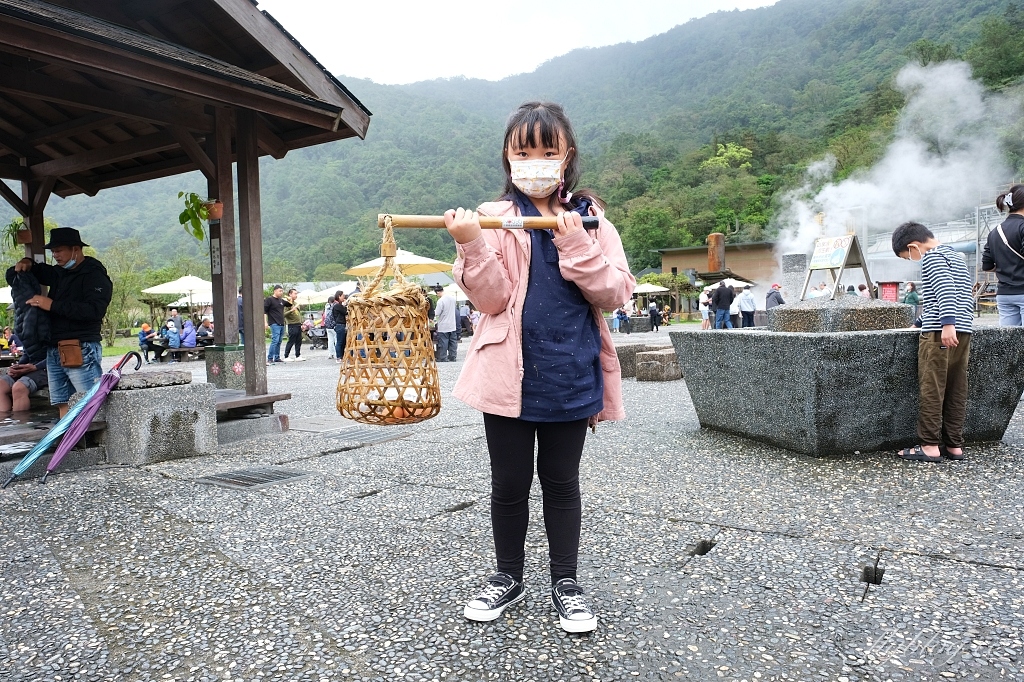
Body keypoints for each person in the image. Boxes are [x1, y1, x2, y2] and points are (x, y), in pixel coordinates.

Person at [444, 101, 634, 634]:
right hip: (508, 373)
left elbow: (616, 292)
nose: (535, 161)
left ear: (566, 154)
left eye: (547, 151)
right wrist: (470, 243)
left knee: (560, 482)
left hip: (570, 371)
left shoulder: (592, 218)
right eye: (523, 151)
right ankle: (507, 576)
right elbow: (491, 300)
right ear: (508, 157)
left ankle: (566, 583)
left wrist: (574, 239)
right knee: (507, 484)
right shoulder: (492, 218)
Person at [892, 221, 973, 462]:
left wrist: (946, 324)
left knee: (932, 389)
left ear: (913, 246)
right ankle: (954, 445)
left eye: (908, 256)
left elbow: (944, 292)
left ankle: (929, 445)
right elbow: (959, 294)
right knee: (957, 387)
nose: (911, 260)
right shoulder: (955, 256)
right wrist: (918, 323)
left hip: (941, 332)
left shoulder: (931, 258)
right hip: (963, 330)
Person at [12, 227, 112, 418]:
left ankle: (91, 442)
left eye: (59, 250)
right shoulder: (59, 273)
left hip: (80, 346)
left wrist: (52, 305)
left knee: (87, 402)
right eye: (52, 252)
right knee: (62, 402)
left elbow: (94, 311)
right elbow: (38, 271)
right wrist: (27, 262)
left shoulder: (94, 275)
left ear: (76, 249)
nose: (55, 255)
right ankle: (70, 443)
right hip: (54, 348)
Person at [982, 184, 1024, 326]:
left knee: (1010, 344)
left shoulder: (995, 231)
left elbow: (987, 266)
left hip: (1004, 295)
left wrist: (1005, 265)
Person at [433, 284, 458, 361]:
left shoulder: (441, 301)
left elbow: (437, 313)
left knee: (444, 342)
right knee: (453, 342)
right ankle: (452, 356)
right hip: (452, 324)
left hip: (443, 325)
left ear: (438, 292)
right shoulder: (452, 299)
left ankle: (443, 357)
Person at [264, 285, 286, 364]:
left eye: (282, 291)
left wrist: (291, 298)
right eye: (280, 291)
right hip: (274, 323)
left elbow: (289, 304)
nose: (281, 292)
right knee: (275, 340)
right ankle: (270, 357)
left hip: (281, 323)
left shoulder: (281, 300)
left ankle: (277, 357)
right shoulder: (269, 300)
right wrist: (265, 322)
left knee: (279, 341)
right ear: (275, 291)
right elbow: (264, 311)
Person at [283, 288, 305, 361]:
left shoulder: (295, 303)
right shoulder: (287, 304)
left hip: (298, 324)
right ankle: (286, 356)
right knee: (291, 340)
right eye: (295, 293)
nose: (296, 295)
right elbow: (284, 314)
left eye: (296, 293)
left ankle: (298, 355)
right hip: (292, 324)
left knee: (299, 340)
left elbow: (298, 314)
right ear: (290, 294)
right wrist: (291, 310)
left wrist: (301, 322)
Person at [332, 292, 348, 362]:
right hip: (340, 325)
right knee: (340, 342)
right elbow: (345, 312)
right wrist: (345, 305)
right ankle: (339, 357)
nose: (344, 297)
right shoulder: (337, 305)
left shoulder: (337, 305)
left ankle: (341, 356)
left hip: (340, 325)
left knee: (343, 342)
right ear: (339, 296)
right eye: (343, 296)